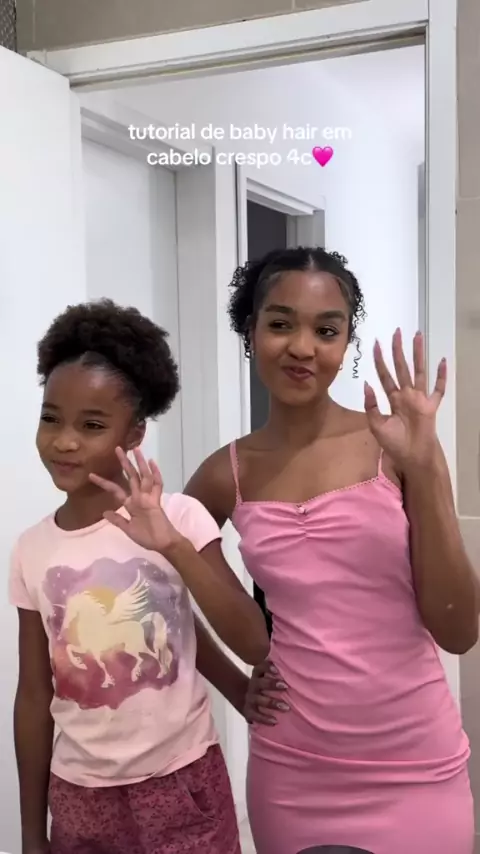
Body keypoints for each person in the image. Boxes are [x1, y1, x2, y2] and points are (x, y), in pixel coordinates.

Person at [185, 247, 479, 854]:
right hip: (293, 768)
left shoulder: (396, 447)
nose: (303, 348)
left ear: (346, 344)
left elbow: (458, 631)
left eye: (326, 331)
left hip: (415, 762)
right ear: (251, 331)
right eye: (281, 324)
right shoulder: (224, 475)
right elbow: (154, 591)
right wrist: (235, 686)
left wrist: (426, 467)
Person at [9, 299, 270, 854]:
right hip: (79, 797)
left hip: (183, 783)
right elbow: (33, 695)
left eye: (92, 425)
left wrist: (172, 545)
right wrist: (31, 833)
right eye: (51, 418)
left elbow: (252, 640)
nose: (64, 440)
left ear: (134, 435)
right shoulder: (31, 549)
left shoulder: (178, 518)